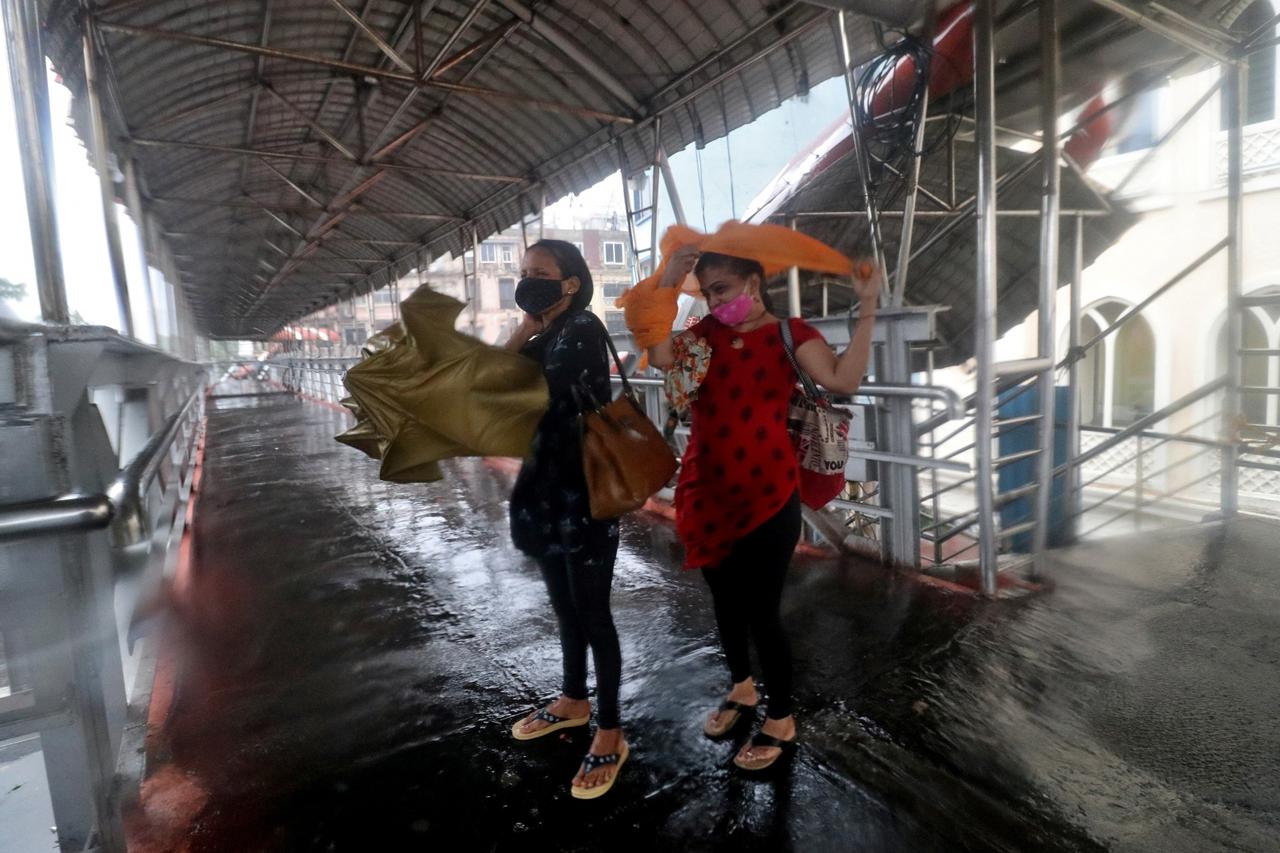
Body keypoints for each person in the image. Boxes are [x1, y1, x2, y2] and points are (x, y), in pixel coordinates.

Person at [646, 246, 879, 771]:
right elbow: (660, 357)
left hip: (768, 494)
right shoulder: (705, 335)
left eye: (722, 288)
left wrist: (867, 312)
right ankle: (742, 689)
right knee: (724, 603)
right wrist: (669, 277)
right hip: (706, 489)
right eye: (708, 292)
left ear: (754, 281)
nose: (714, 300)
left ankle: (781, 716)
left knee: (761, 610)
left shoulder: (791, 335)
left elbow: (843, 381)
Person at [503, 240, 628, 799]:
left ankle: (609, 730)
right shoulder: (545, 333)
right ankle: (574, 699)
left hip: (584, 494)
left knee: (593, 612)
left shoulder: (581, 331)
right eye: (524, 272)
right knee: (564, 605)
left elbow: (524, 398)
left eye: (540, 274)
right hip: (546, 492)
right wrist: (524, 328)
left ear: (571, 282)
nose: (529, 280)